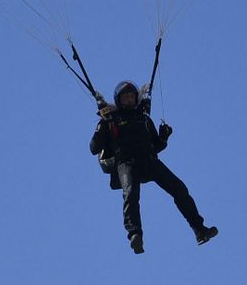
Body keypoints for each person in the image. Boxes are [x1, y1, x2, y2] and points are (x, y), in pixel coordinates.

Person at [90, 81, 217, 254]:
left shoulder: (143, 119)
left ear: (136, 98)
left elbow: (156, 145)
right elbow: (94, 149)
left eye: (131, 96)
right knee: (131, 195)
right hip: (126, 163)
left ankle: (199, 230)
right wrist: (100, 128)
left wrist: (164, 137)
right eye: (125, 96)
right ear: (118, 100)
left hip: (149, 161)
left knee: (179, 188)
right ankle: (135, 235)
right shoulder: (110, 121)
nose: (128, 99)